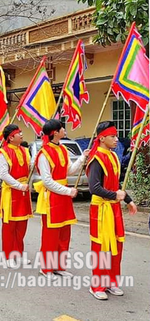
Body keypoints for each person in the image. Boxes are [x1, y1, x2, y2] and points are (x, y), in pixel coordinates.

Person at [86, 121, 137, 300]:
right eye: (112, 136)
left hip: (114, 208)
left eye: (116, 136)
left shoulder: (114, 157)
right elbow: (94, 188)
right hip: (101, 209)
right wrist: (115, 195)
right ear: (102, 138)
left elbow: (116, 186)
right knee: (101, 247)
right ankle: (97, 285)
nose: (116, 139)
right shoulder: (96, 159)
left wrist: (128, 200)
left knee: (116, 245)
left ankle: (111, 281)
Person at [35, 119, 88, 278]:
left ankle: (59, 266)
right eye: (61, 128)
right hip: (51, 198)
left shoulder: (63, 149)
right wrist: (67, 191)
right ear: (55, 133)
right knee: (50, 235)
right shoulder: (43, 153)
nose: (64, 129)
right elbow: (47, 181)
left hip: (63, 197)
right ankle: (46, 267)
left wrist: (82, 158)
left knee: (65, 232)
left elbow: (68, 171)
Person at [0, 124, 33, 268]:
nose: (22, 135)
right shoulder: (3, 153)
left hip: (23, 192)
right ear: (11, 137)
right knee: (9, 226)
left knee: (22, 225)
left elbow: (29, 167)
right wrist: (18, 186)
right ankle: (8, 255)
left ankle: (18, 253)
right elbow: (4, 174)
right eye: (19, 133)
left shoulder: (25, 150)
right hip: (11, 193)